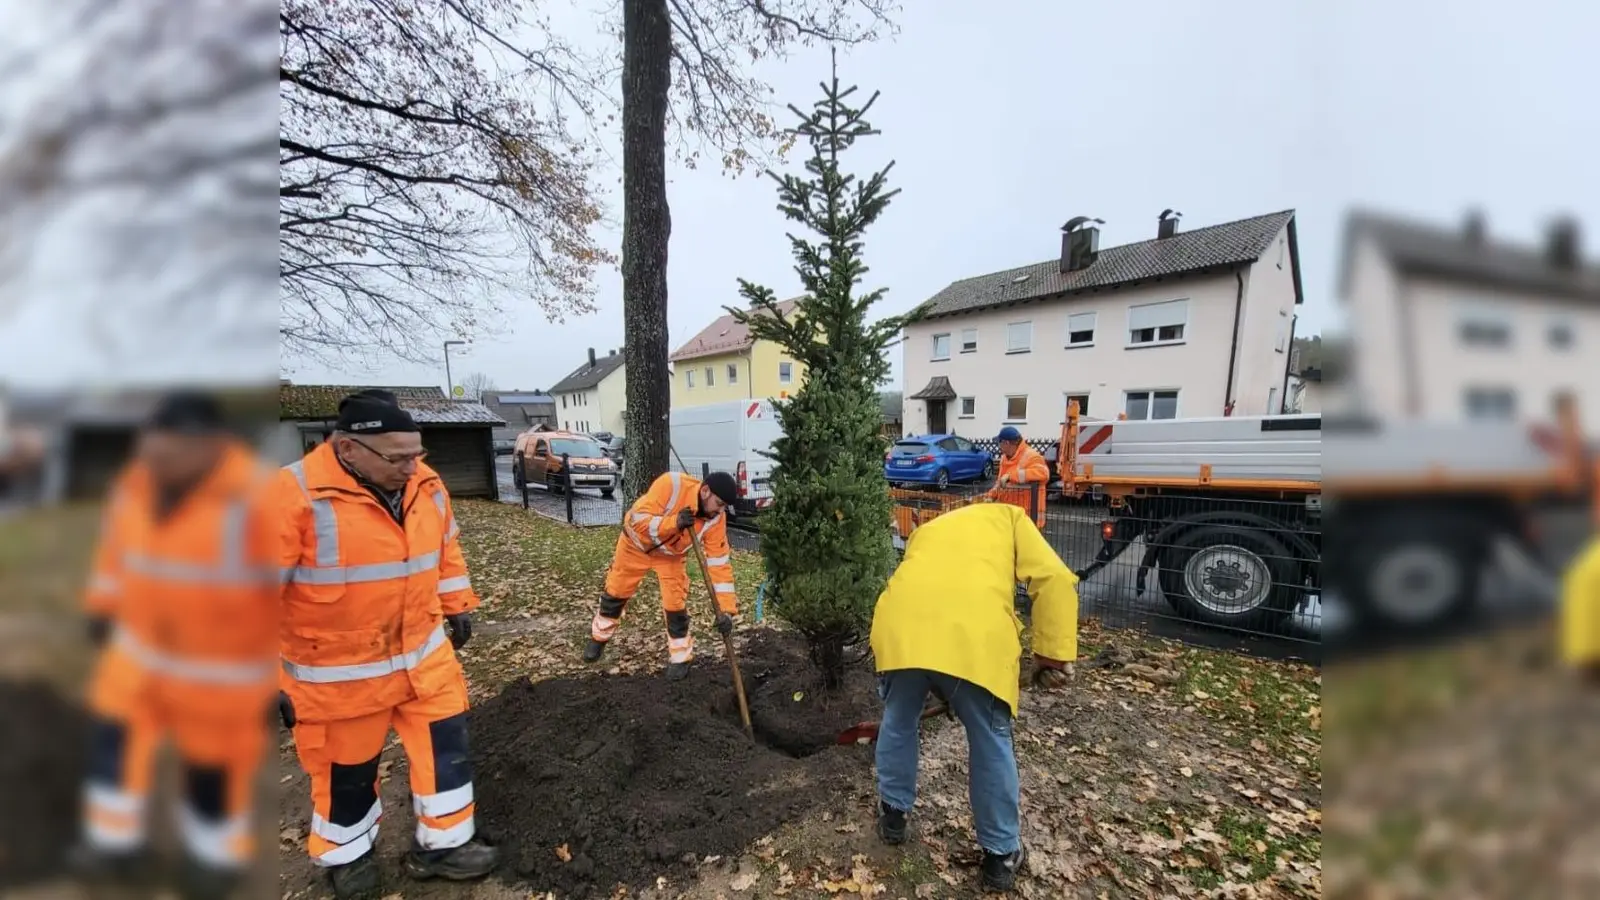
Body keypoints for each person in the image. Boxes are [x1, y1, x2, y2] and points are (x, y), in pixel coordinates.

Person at [276, 389, 497, 897]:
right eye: (398, 458)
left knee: (447, 755)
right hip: (339, 675)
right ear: (348, 449)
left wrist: (457, 603)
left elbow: (445, 550)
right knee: (346, 774)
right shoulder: (291, 497)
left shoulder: (426, 485)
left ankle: (444, 846)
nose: (411, 467)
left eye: (417, 454)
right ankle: (349, 858)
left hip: (424, 658)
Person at [72, 391, 279, 900]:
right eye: (150, 448)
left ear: (208, 446)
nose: (154, 461)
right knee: (112, 751)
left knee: (212, 771)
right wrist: (102, 605)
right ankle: (111, 844)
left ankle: (213, 861)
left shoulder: (254, 497)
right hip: (138, 655)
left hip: (220, 672)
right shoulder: (136, 485)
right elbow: (116, 554)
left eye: (166, 451)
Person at [869, 501, 1079, 894]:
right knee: (989, 738)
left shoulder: (928, 531)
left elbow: (923, 589)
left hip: (901, 628)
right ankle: (1000, 854)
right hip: (972, 639)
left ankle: (892, 816)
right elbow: (1053, 578)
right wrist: (1052, 654)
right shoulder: (1012, 519)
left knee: (898, 720)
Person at [583, 469, 740, 680]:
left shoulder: (715, 519)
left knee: (675, 604)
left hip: (670, 557)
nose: (720, 511)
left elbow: (719, 564)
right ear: (705, 491)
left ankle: (681, 658)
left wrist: (727, 611)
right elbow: (639, 520)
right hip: (635, 546)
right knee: (616, 593)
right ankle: (598, 638)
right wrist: (674, 523)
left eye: (724, 507)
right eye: (719, 504)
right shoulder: (671, 485)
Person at [987, 426, 1049, 528]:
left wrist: (1011, 476)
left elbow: (1044, 473)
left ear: (1006, 443)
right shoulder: (1004, 458)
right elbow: (1000, 482)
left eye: (1000, 443)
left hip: (1028, 517)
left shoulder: (1032, 456)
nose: (999, 446)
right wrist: (990, 496)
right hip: (1010, 516)